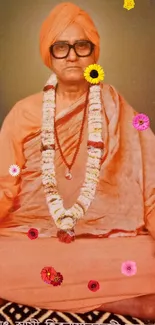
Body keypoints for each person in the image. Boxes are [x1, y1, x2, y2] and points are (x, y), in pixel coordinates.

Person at [0, 1, 155, 320]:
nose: (71, 55)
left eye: (81, 45)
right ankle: (120, 301)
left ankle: (76, 291)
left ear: (93, 53)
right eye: (61, 46)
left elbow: (152, 184)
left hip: (109, 237)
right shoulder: (23, 112)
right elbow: (4, 183)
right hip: (33, 235)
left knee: (145, 255)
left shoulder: (121, 109)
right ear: (48, 53)